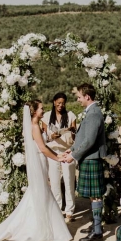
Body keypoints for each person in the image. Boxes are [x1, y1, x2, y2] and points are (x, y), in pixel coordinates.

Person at [0, 100, 72, 241]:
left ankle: (44, 225)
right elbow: (43, 148)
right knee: (40, 192)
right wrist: (57, 157)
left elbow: (43, 145)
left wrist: (56, 152)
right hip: (39, 161)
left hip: (40, 160)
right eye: (41, 109)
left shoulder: (35, 126)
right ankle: (39, 228)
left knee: (40, 192)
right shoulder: (34, 127)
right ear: (34, 112)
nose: (43, 111)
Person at [63, 83, 108, 241]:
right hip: (89, 158)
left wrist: (74, 156)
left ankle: (97, 231)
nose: (78, 99)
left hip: (92, 158)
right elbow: (84, 136)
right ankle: (96, 227)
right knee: (92, 196)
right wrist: (72, 149)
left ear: (87, 97)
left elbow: (89, 140)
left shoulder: (94, 113)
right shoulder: (91, 112)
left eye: (79, 96)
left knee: (95, 196)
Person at [42, 92, 78, 221]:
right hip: (53, 152)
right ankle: (57, 208)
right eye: (59, 103)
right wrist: (52, 136)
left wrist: (71, 131)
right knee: (55, 181)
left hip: (67, 150)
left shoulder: (70, 115)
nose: (61, 105)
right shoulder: (46, 116)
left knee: (69, 181)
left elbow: (75, 135)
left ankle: (70, 211)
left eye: (63, 103)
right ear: (54, 102)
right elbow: (44, 136)